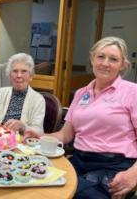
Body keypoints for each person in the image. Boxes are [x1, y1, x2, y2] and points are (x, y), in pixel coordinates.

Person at [25, 37, 137, 199]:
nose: (105, 63)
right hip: (78, 161)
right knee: (39, 186)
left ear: (122, 65)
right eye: (101, 56)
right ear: (92, 59)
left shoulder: (132, 92)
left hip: (114, 166)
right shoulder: (81, 93)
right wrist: (40, 136)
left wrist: (134, 174)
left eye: (113, 59)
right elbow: (65, 135)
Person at [0, 53, 45, 135]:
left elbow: (39, 131)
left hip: (22, 142)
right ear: (9, 76)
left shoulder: (38, 99)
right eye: (15, 71)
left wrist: (23, 127)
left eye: (24, 71)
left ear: (30, 76)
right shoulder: (1, 92)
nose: (19, 75)